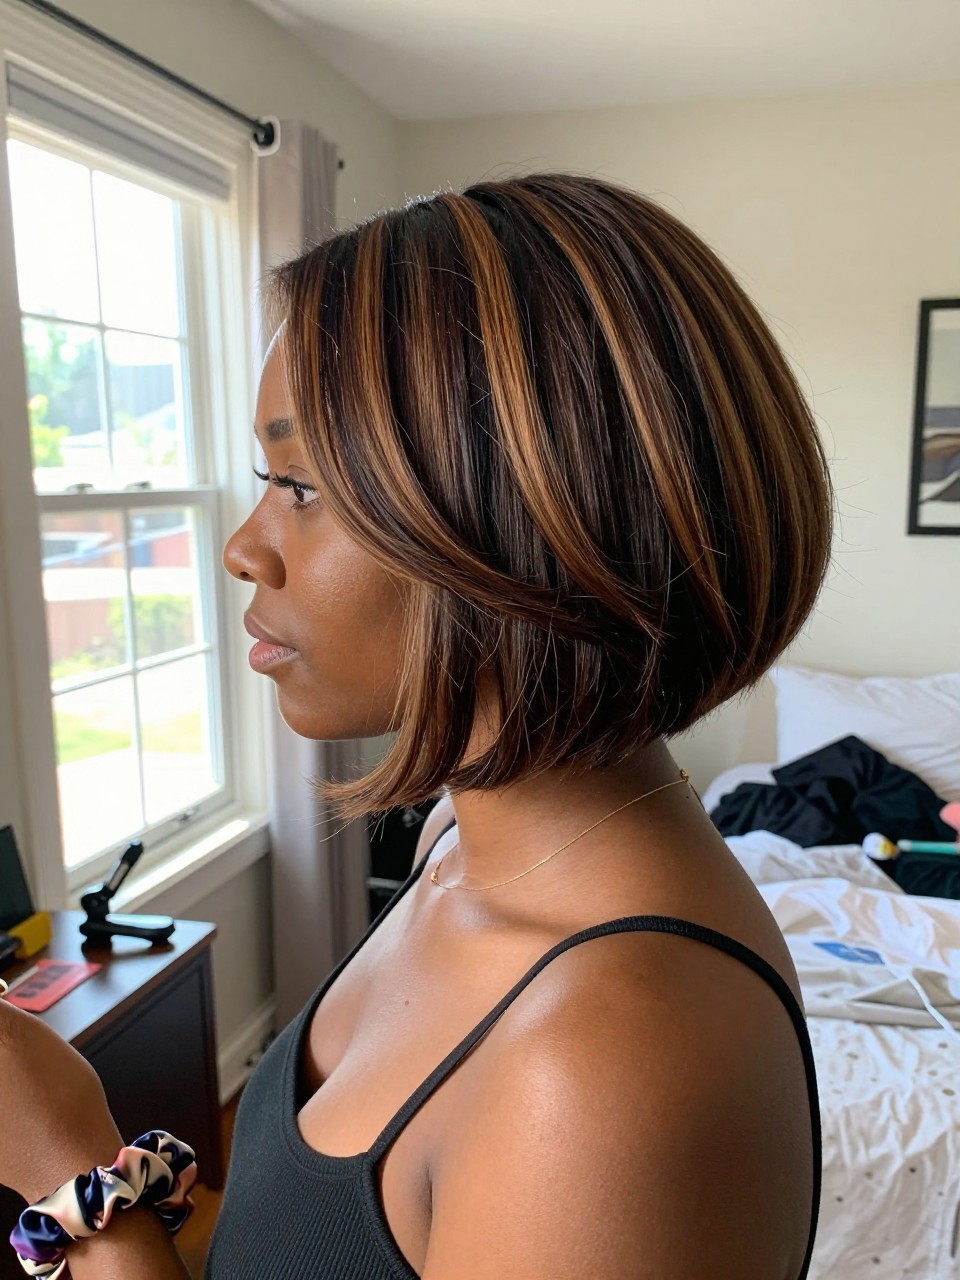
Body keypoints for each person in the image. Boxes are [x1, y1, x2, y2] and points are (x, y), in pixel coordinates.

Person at [0, 172, 831, 1279]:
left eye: (301, 484)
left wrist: (73, 1178)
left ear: (521, 521)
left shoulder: (608, 1058)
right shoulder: (459, 839)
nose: (246, 545)